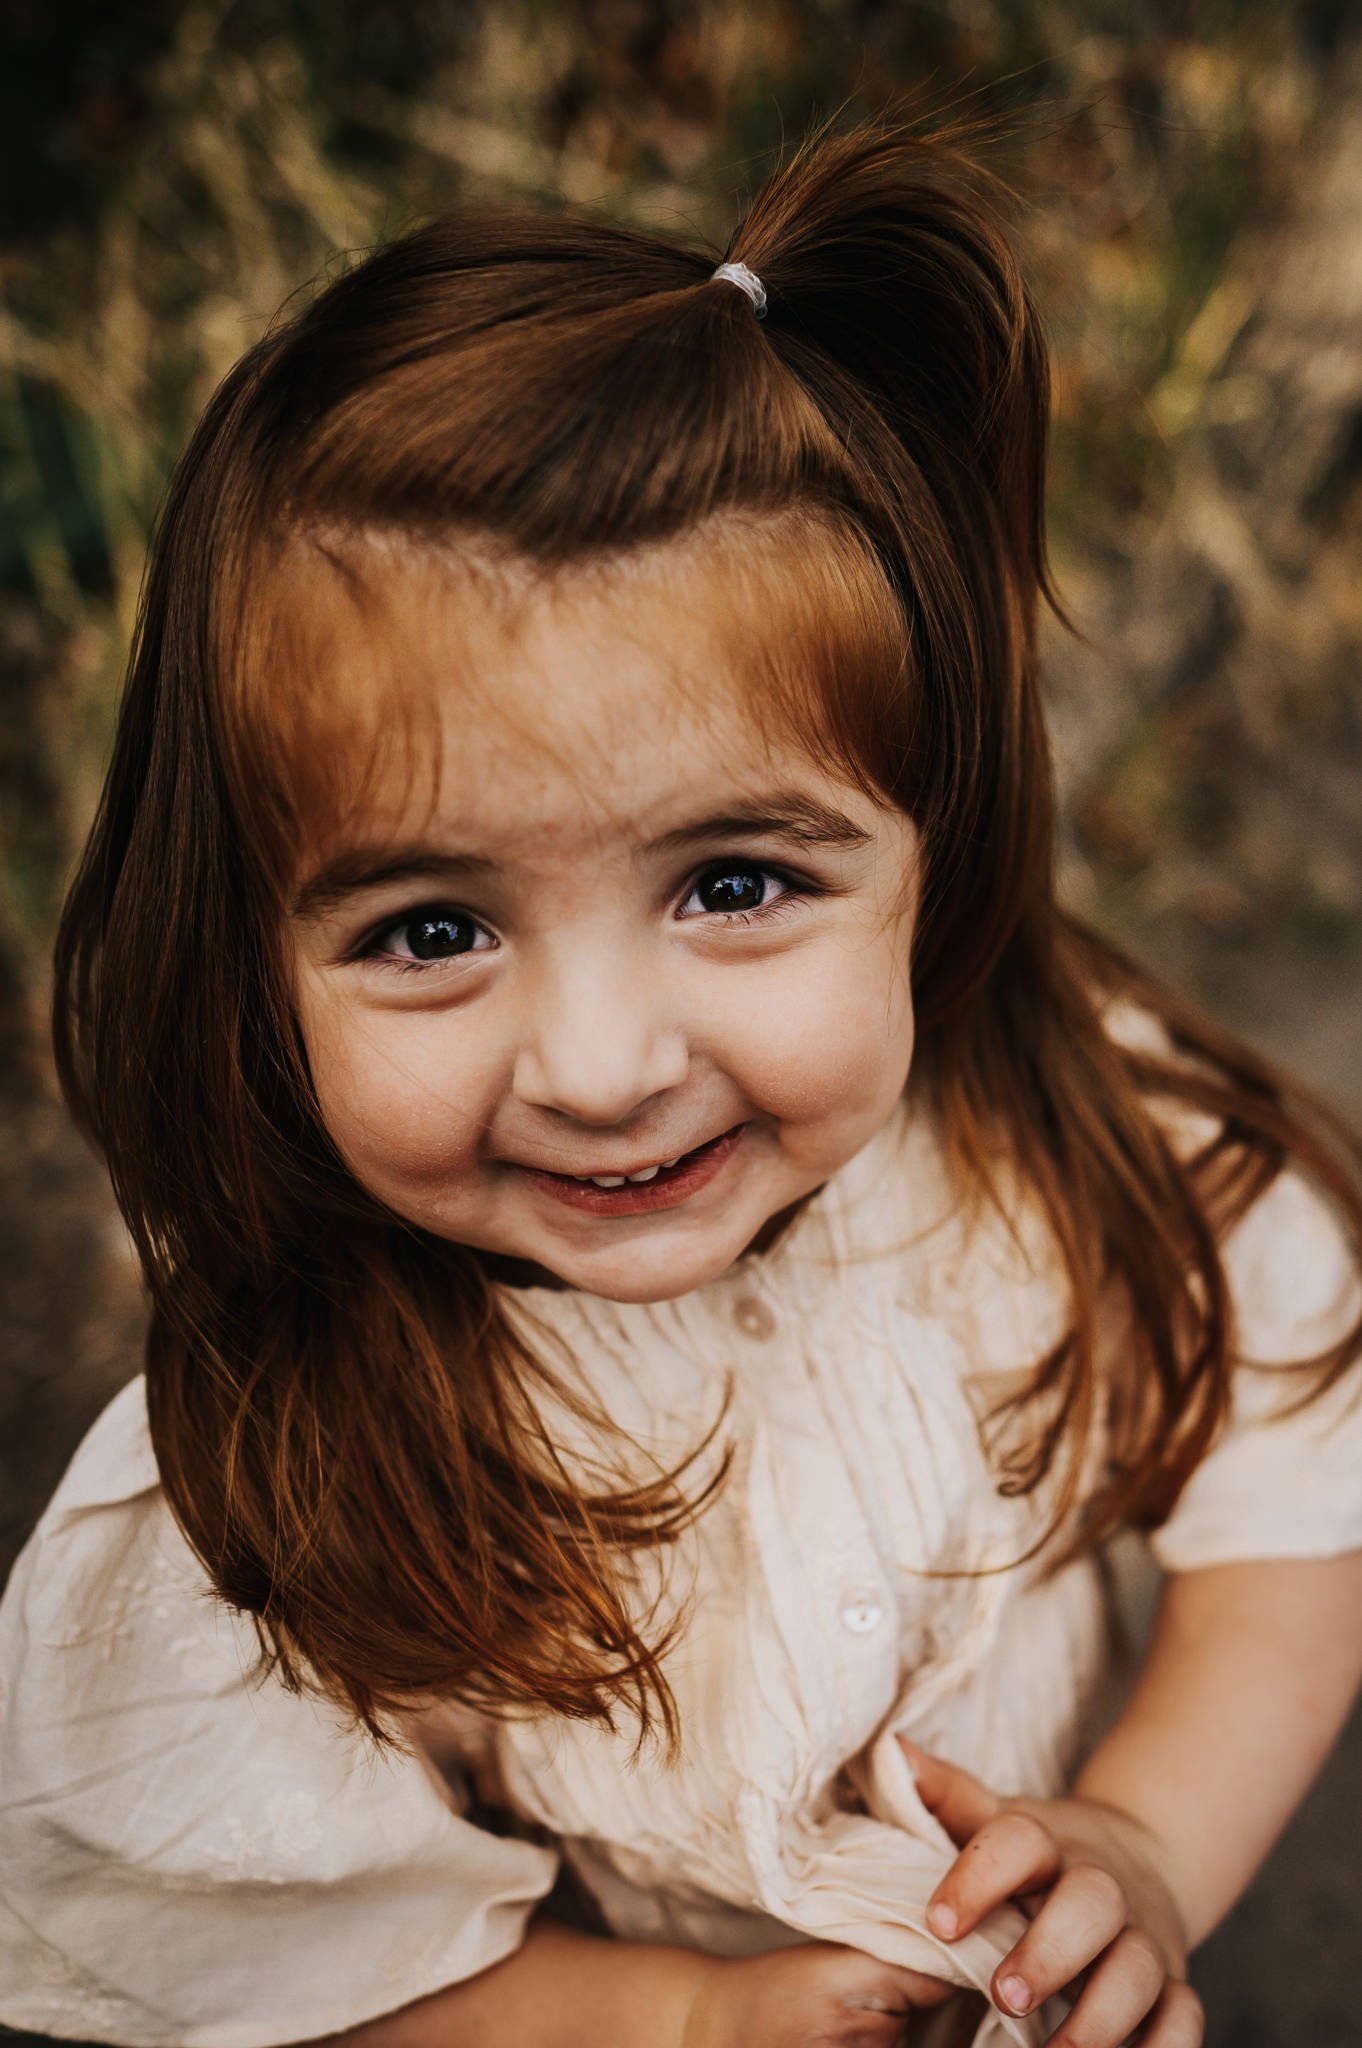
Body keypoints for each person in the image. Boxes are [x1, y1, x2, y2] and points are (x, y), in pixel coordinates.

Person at [2, 117, 1360, 2048]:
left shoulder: (1077, 1150)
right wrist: (681, 2022)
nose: (605, 1069)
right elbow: (272, 1973)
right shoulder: (272, 1476)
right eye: (428, 930)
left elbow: (1285, 1524)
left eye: (734, 885)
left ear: (933, 847)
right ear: (246, 950)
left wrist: (1138, 1840)